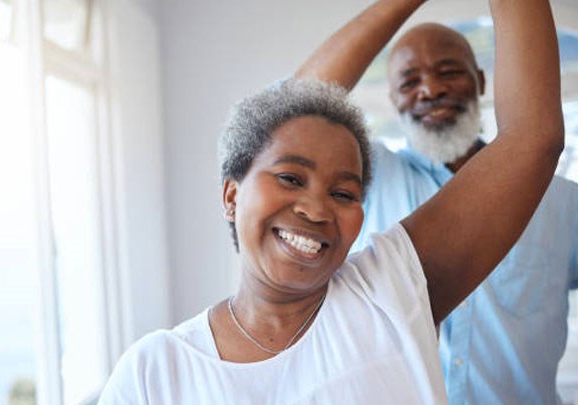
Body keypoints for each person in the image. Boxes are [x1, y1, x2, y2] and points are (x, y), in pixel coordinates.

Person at [98, 0, 563, 403]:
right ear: (231, 195)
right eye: (289, 177)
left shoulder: (388, 293)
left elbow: (532, 139)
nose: (317, 210)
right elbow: (293, 106)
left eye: (344, 192)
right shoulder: (152, 373)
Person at [307, 11, 578, 405]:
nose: (430, 89)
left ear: (481, 82)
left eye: (448, 71)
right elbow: (293, 108)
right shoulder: (367, 178)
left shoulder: (562, 203)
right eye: (409, 80)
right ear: (394, 99)